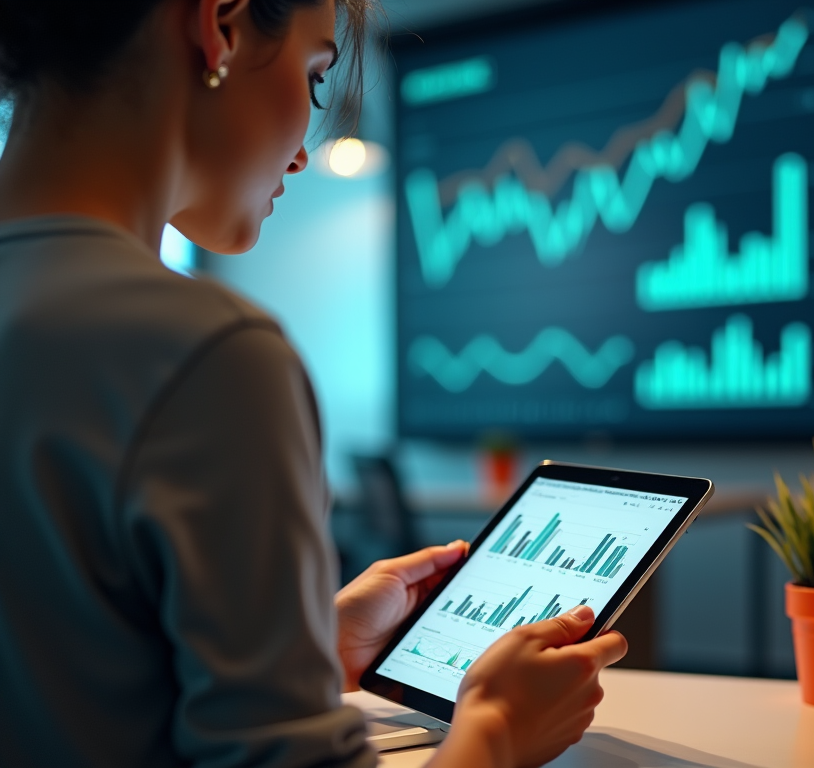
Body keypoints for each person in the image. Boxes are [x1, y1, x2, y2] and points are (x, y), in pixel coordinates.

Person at [0, 1, 629, 766]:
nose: (302, 155)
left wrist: (305, 648)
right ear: (219, 27)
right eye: (315, 76)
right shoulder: (209, 357)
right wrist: (495, 731)